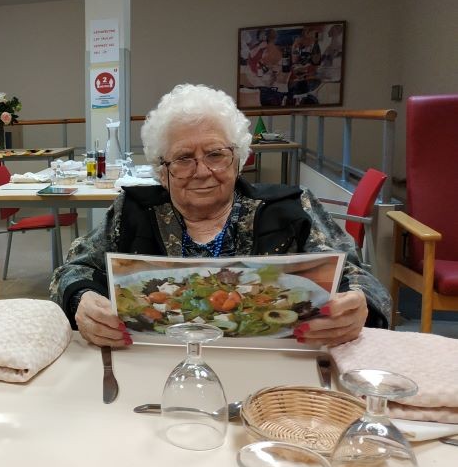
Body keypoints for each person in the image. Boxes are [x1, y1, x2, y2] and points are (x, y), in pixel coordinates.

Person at [50, 84, 390, 349]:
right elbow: (74, 270)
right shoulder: (132, 210)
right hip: (151, 365)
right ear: (162, 170)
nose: (202, 171)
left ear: (238, 159)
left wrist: (357, 306)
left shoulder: (292, 209)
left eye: (215, 154)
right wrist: (83, 299)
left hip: (277, 370)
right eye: (183, 158)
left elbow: (358, 277)